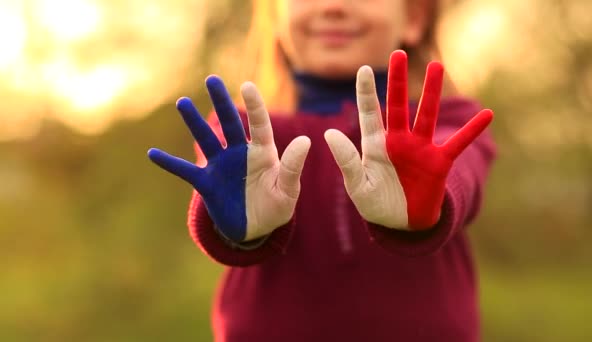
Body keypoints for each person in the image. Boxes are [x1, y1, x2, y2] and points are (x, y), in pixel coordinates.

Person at [148, 0, 496, 340]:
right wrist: (231, 225)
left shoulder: (450, 120)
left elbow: (461, 168)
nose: (333, 7)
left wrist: (432, 195)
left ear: (414, 16)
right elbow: (217, 192)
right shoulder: (244, 133)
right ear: (275, 15)